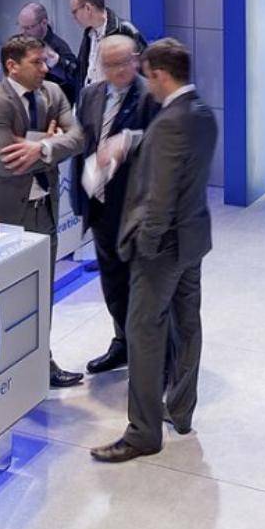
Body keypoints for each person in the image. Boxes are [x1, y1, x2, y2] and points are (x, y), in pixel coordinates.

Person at [90, 38, 217, 462]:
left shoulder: (168, 123)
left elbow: (160, 197)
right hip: (193, 241)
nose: (147, 84)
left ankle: (143, 432)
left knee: (143, 331)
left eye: (149, 76)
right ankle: (180, 410)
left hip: (161, 249)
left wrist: (144, 246)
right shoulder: (201, 113)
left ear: (160, 74)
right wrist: (131, 140)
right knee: (187, 325)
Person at [0, 35, 85, 388]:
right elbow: (6, 164)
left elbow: (79, 138)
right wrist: (49, 141)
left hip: (44, 211)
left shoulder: (53, 93)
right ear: (12, 66)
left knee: (40, 293)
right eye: (36, 62)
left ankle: (40, 364)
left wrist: (38, 147)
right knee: (1, 296)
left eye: (45, 61)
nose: (45, 68)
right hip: (0, 216)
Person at [73, 35, 159, 374]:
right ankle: (122, 341)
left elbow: (163, 140)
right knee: (112, 281)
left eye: (124, 62)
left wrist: (129, 142)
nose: (118, 70)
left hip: (137, 207)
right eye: (110, 64)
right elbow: (83, 142)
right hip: (100, 204)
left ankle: (152, 354)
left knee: (143, 285)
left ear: (136, 59)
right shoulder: (90, 95)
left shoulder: (151, 94)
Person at [72, 0, 146, 90]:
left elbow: (143, 69)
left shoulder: (124, 30)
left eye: (74, 12)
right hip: (92, 95)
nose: (74, 17)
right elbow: (82, 72)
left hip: (116, 95)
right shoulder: (88, 34)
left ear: (88, 8)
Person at [17, 2, 80, 102]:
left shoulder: (59, 47)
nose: (22, 32)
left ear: (44, 23)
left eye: (28, 28)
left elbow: (74, 80)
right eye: (21, 27)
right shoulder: (22, 42)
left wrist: (56, 62)